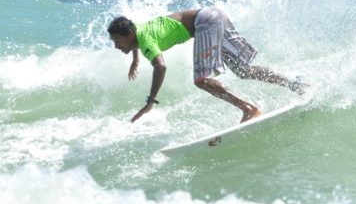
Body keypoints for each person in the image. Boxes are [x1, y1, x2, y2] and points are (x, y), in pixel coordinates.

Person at [107, 7, 304, 123]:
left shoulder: (144, 39)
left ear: (129, 35)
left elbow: (161, 66)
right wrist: (135, 59)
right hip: (214, 14)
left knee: (201, 80)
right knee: (243, 71)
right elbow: (135, 41)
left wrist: (150, 101)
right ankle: (295, 84)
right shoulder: (137, 30)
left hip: (205, 23)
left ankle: (248, 109)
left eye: (117, 41)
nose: (116, 46)